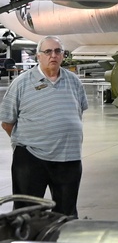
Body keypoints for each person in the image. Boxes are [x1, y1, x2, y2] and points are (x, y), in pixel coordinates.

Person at [0, 36, 88, 217]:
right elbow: (7, 122)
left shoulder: (74, 81)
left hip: (69, 158)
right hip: (31, 158)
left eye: (57, 51)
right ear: (38, 56)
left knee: (66, 214)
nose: (53, 55)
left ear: (63, 55)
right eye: (48, 51)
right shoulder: (22, 83)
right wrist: (31, 141)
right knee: (26, 214)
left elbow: (78, 112)